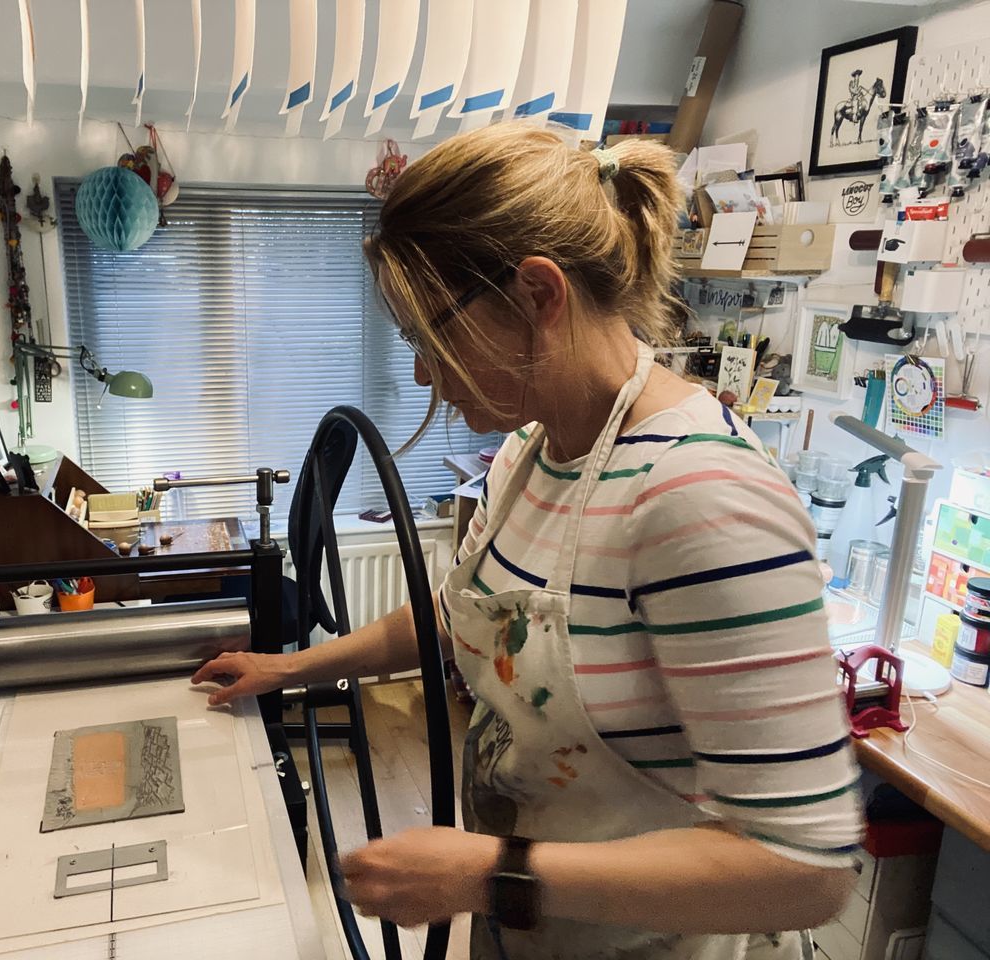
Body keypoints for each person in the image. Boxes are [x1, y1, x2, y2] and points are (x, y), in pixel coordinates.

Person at [193, 124, 862, 959]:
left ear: (539, 294)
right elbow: (461, 615)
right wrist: (292, 668)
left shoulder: (700, 500)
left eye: (427, 336)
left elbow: (803, 866)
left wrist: (493, 873)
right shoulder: (533, 448)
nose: (421, 375)